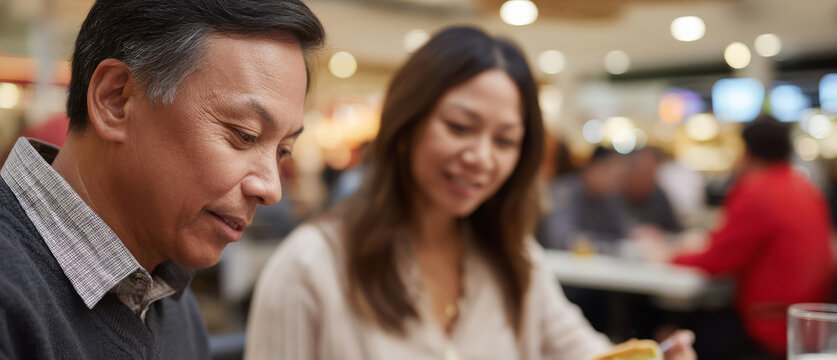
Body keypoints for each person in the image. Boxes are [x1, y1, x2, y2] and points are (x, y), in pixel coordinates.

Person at [246, 26, 694, 360]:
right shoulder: (311, 267)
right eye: (460, 127)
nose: (481, 157)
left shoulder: (511, 257)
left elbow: (584, 351)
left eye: (504, 140)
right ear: (407, 124)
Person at [0, 1, 324, 359]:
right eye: (244, 135)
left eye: (284, 151)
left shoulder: (169, 300)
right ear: (115, 100)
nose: (271, 189)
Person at [649, 115, 834, 358]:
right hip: (808, 327)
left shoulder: (756, 190)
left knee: (665, 328)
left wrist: (666, 255)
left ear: (746, 151)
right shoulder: (808, 189)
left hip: (769, 327)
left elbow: (716, 261)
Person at [538, 146, 631, 255]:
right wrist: (613, 247)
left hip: (596, 268)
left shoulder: (611, 200)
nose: (616, 183)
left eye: (620, 178)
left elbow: (623, 237)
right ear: (594, 167)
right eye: (613, 175)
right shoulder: (564, 191)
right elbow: (562, 240)